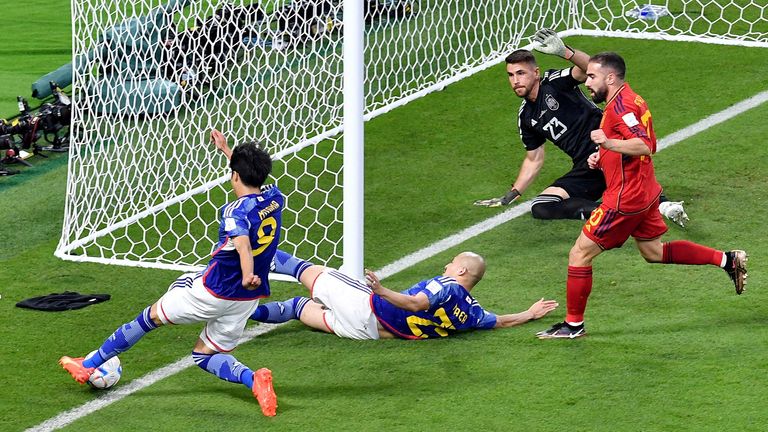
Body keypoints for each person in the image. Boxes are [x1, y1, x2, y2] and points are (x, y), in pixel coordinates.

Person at [58, 130, 283, 417]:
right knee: (204, 355)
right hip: (247, 299)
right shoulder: (276, 198)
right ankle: (255, 380)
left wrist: (246, 273)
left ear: (234, 176)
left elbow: (242, 246)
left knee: (150, 316)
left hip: (214, 292)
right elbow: (250, 183)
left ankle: (89, 364)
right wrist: (226, 150)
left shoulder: (233, 212)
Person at [535, 52, 748, 339]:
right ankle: (727, 260)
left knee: (579, 254)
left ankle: (573, 326)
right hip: (645, 190)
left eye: (593, 77)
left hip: (626, 198)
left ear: (610, 78)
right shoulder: (628, 99)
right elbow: (632, 140)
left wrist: (608, 142)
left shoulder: (621, 107)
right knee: (654, 252)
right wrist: (603, 154)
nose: (587, 81)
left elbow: (646, 144)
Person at [474, 29, 689, 227]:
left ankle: (663, 205)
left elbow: (590, 70)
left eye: (521, 73)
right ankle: (608, 213)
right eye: (511, 75)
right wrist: (513, 193)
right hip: (587, 166)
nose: (515, 81)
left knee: (624, 173)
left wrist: (565, 51)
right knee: (541, 206)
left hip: (611, 147)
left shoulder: (553, 82)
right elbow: (534, 158)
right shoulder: (526, 117)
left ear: (536, 72)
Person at [249, 249, 558, 339]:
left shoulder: (445, 286)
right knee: (299, 307)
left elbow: (415, 302)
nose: (446, 264)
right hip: (368, 332)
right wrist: (529, 314)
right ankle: (241, 312)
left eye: (452, 263)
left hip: (368, 308)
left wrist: (381, 289)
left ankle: (251, 253)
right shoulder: (473, 312)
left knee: (304, 270)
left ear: (462, 272)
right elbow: (501, 321)